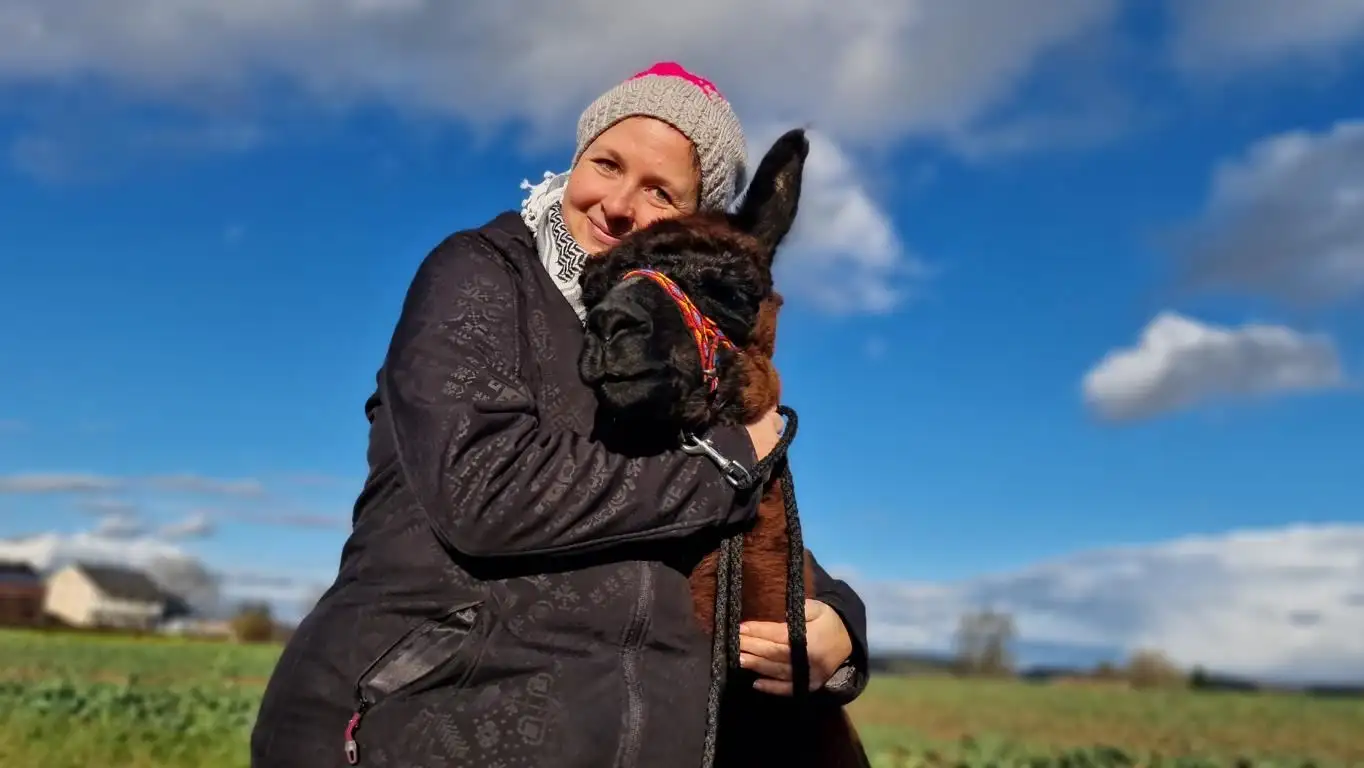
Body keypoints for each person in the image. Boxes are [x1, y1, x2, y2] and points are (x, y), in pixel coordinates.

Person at [249, 61, 870, 768]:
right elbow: (483, 487)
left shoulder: (664, 348)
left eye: (660, 192)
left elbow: (730, 531)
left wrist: (843, 625)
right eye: (607, 164)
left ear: (694, 223)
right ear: (576, 161)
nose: (618, 204)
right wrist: (732, 461)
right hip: (412, 726)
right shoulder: (481, 273)